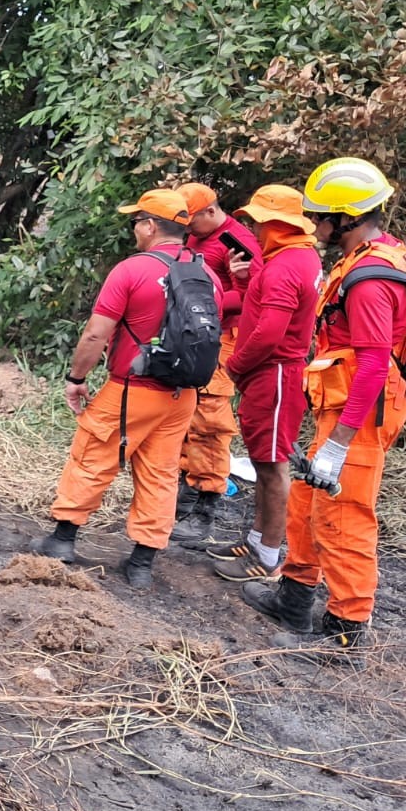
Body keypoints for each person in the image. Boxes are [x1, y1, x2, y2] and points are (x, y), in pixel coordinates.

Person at [243, 158, 406, 655]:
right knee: (307, 504)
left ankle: (344, 633)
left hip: (359, 414)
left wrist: (339, 445)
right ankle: (295, 598)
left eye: (319, 216)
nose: (312, 224)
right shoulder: (364, 256)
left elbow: (373, 366)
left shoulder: (370, 281)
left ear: (345, 218)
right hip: (339, 406)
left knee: (344, 516)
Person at [31, 189, 221, 589]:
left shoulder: (132, 270)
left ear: (151, 225)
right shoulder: (207, 274)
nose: (134, 228)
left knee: (92, 456)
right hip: (182, 395)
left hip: (133, 388)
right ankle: (141, 564)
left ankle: (63, 540)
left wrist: (77, 378)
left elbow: (96, 333)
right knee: (162, 473)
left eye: (137, 221)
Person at [208, 184, 321, 582]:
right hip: (272, 372)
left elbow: (270, 331)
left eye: (258, 221)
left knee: (272, 465)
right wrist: (244, 281)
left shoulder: (286, 265)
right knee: (261, 458)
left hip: (274, 372)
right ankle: (258, 538)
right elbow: (260, 307)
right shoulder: (293, 258)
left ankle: (270, 553)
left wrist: (236, 365)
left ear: (276, 224)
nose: (253, 229)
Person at [170, 182, 264, 544]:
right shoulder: (196, 236)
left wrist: (203, 308)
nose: (187, 229)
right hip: (194, 336)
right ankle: (184, 496)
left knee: (209, 419)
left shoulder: (237, 241)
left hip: (222, 337)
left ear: (211, 211)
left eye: (191, 220)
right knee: (185, 414)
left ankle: (205, 507)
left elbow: (253, 295)